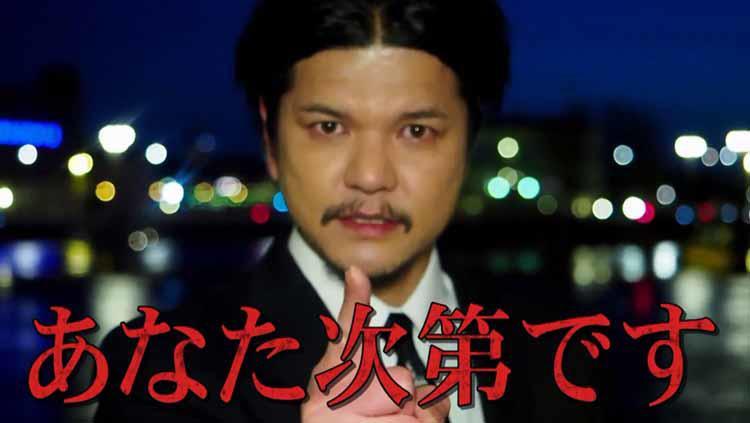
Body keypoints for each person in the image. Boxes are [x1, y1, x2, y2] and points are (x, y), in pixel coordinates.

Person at [95, 1, 603, 421]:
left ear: (470, 141)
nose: (370, 175)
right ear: (270, 138)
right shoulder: (159, 371)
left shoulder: (559, 346)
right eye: (329, 127)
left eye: (416, 131)